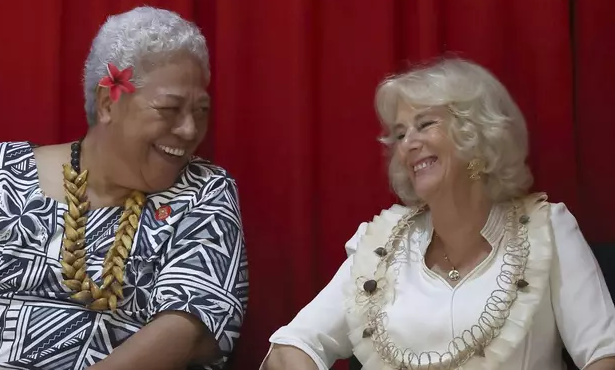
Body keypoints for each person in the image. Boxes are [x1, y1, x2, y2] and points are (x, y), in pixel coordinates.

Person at [261, 59, 615, 370]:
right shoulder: (380, 248)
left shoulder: (548, 230)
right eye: (400, 134)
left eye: (425, 124)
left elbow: (605, 354)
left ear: (475, 134)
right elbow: (291, 347)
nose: (409, 143)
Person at [0, 6, 248, 370]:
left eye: (201, 110)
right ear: (107, 103)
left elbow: (191, 326)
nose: (189, 130)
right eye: (170, 108)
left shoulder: (203, 192)